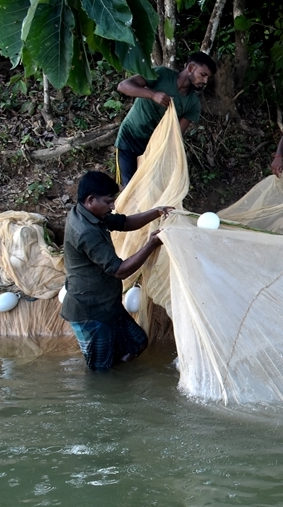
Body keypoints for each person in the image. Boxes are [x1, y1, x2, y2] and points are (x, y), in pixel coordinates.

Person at [61, 172, 172, 371]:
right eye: (108, 202)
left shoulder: (90, 213)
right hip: (90, 312)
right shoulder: (85, 231)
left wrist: (157, 211)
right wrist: (151, 244)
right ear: (90, 200)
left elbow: (125, 223)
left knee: (137, 343)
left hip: (107, 304)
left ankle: (120, 380)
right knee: (100, 370)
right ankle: (105, 395)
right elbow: (119, 270)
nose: (112, 206)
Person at [114, 52, 217, 187]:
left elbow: (175, 135)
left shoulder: (193, 104)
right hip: (129, 137)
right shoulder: (161, 74)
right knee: (129, 189)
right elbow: (123, 86)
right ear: (191, 68)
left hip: (152, 149)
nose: (205, 81)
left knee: (145, 190)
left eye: (207, 78)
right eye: (203, 75)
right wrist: (153, 94)